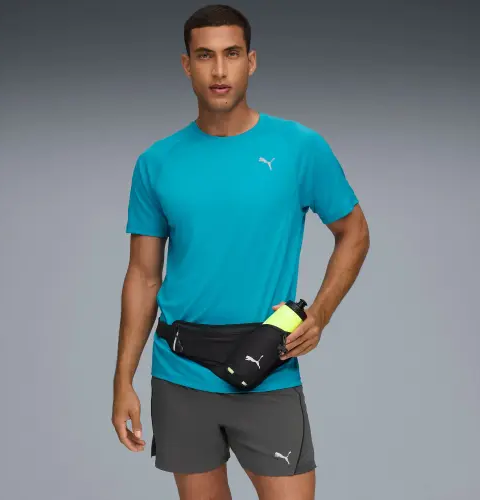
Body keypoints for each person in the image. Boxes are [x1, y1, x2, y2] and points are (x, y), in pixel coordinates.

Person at [111, 4, 370, 500]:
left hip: (266, 366)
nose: (219, 69)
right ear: (187, 65)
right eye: (204, 56)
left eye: (231, 54)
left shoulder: (299, 147)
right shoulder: (156, 163)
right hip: (181, 371)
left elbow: (354, 231)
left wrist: (321, 312)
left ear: (251, 61)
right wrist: (123, 380)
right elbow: (143, 276)